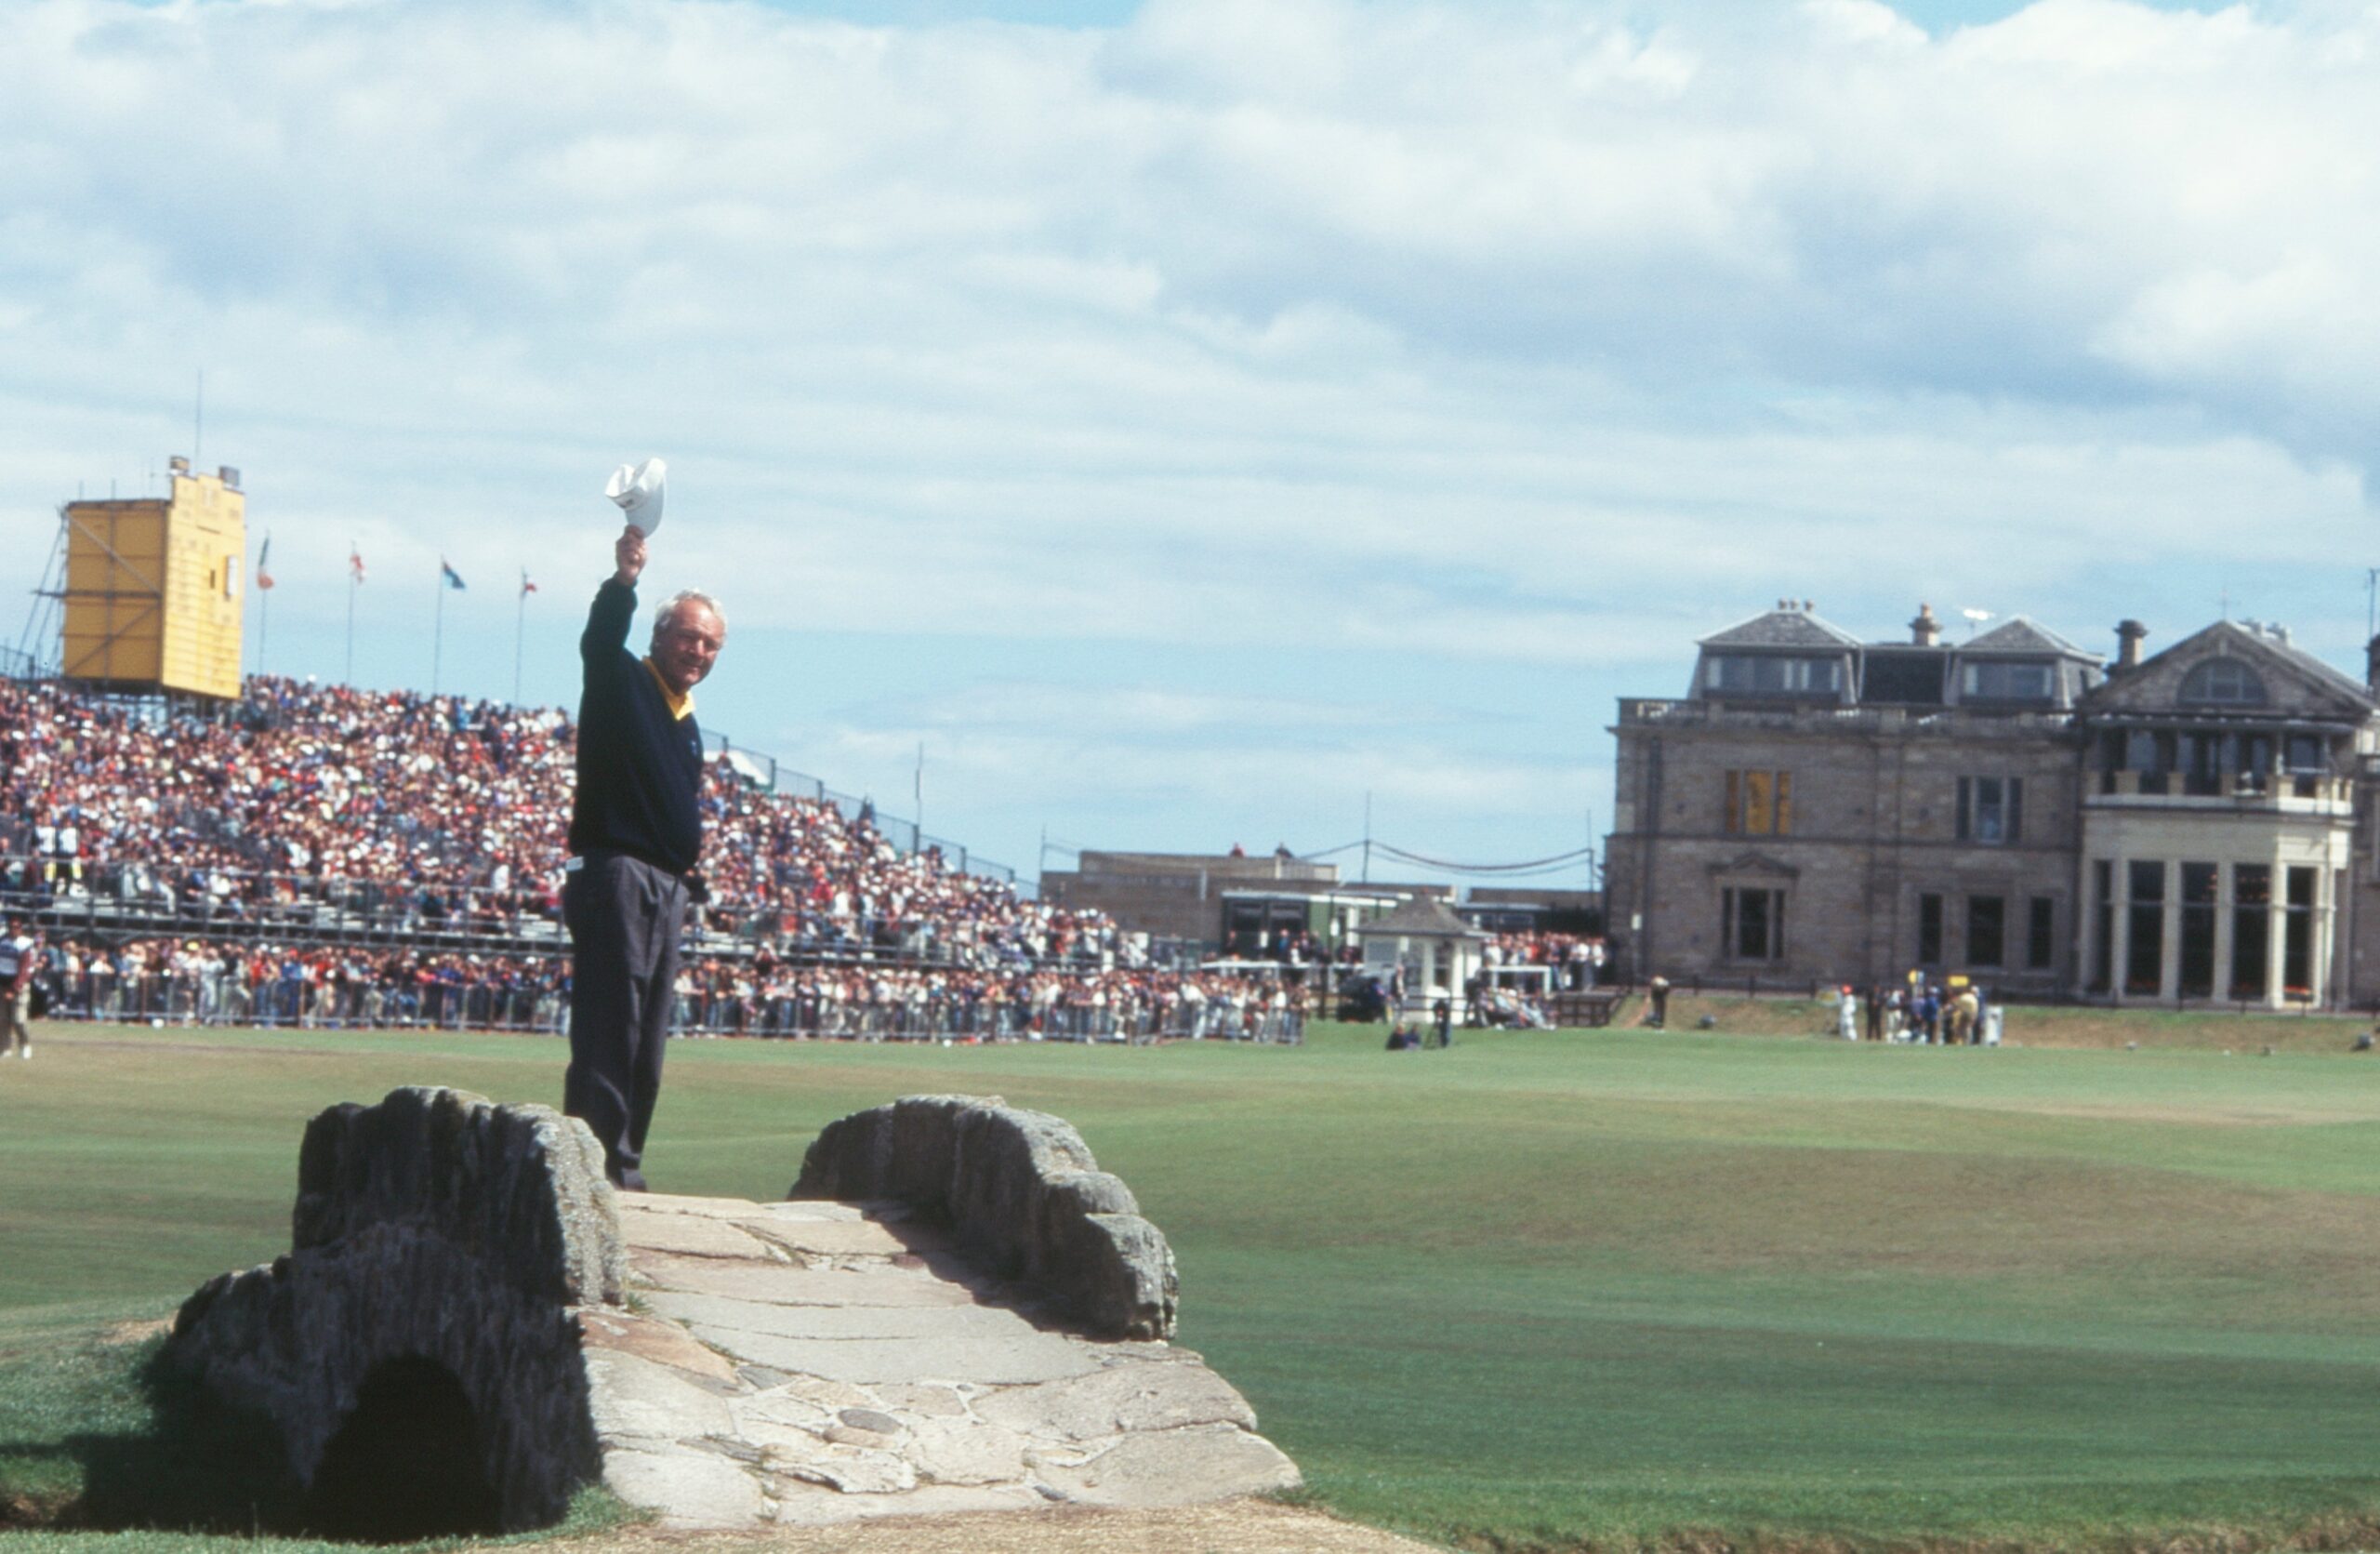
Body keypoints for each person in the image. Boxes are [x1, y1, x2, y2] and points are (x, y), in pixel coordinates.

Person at [562, 524, 726, 1189]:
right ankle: (593, 1168)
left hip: (668, 885)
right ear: (660, 636)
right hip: (618, 874)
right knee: (612, 1024)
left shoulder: (688, 724)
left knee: (648, 1038)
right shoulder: (622, 681)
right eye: (688, 635)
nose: (699, 650)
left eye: (711, 642)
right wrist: (624, 580)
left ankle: (624, 1161)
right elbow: (599, 640)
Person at [0, 919, 33, 1059]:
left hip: (18, 985)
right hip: (2, 983)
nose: (13, 929)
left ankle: (25, 1044)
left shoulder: (24, 944)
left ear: (20, 929)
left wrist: (14, 988)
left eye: (16, 927)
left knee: (18, 1019)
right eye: (11, 927)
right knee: (2, 1019)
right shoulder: (2, 940)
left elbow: (25, 969)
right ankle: (5, 1048)